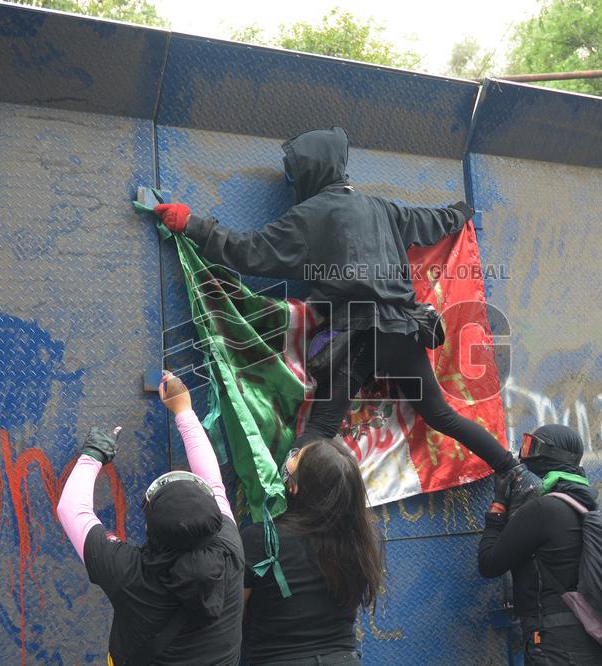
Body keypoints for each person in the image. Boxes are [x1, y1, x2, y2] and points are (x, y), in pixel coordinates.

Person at [152, 126, 514, 475]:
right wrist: (460, 213)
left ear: (310, 170)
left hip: (359, 337)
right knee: (441, 416)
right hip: (404, 331)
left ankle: (285, 500)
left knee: (320, 428)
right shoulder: (381, 208)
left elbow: (250, 252)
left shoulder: (309, 216)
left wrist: (192, 224)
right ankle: (513, 471)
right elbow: (432, 222)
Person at [57, 372, 244, 665]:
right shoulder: (230, 550)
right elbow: (215, 483)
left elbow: (71, 508)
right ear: (213, 522)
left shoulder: (129, 573)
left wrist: (93, 454)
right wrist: (185, 411)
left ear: (148, 527)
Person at [477, 425, 602, 666]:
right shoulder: (587, 508)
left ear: (549, 455)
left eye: (530, 447)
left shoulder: (543, 509)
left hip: (557, 647)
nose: (523, 456)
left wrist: (498, 507)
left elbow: (489, 563)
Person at [241, 436, 383, 665]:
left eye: (297, 457)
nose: (292, 456)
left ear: (295, 487)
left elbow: (232, 616)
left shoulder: (260, 539)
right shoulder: (358, 541)